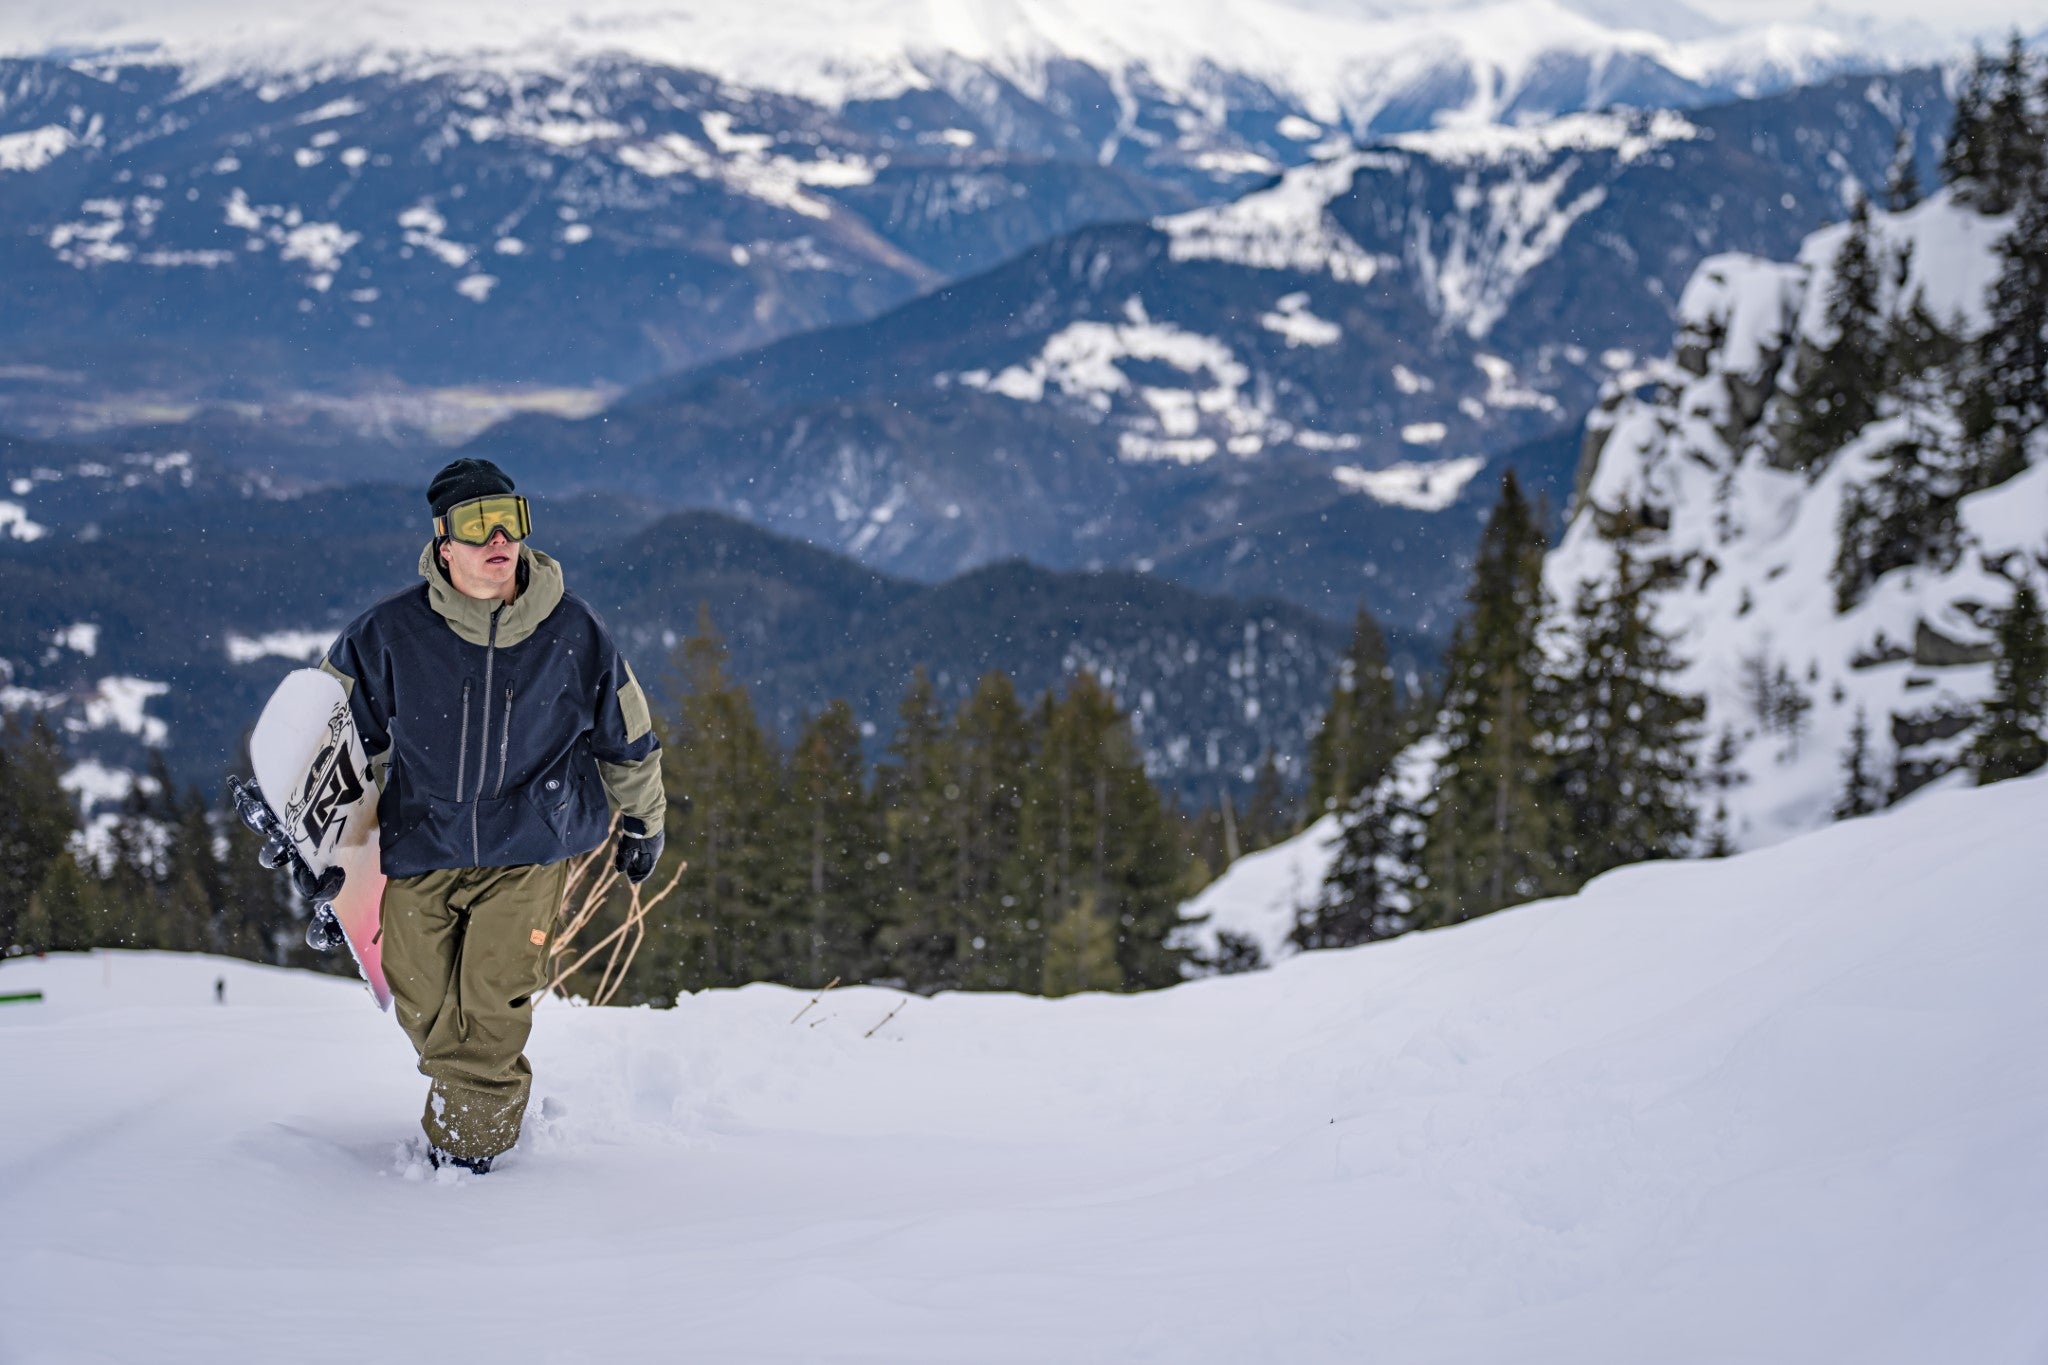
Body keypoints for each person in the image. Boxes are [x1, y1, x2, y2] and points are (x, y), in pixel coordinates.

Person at [316, 458, 665, 1173]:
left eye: (512, 517)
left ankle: (466, 1157)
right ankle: (472, 1089)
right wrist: (321, 842)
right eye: (478, 524)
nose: (499, 535)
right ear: (444, 543)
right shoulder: (389, 635)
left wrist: (643, 821)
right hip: (423, 840)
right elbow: (333, 732)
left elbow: (626, 735)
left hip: (529, 845)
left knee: (491, 1005)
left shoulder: (574, 633)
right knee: (419, 994)